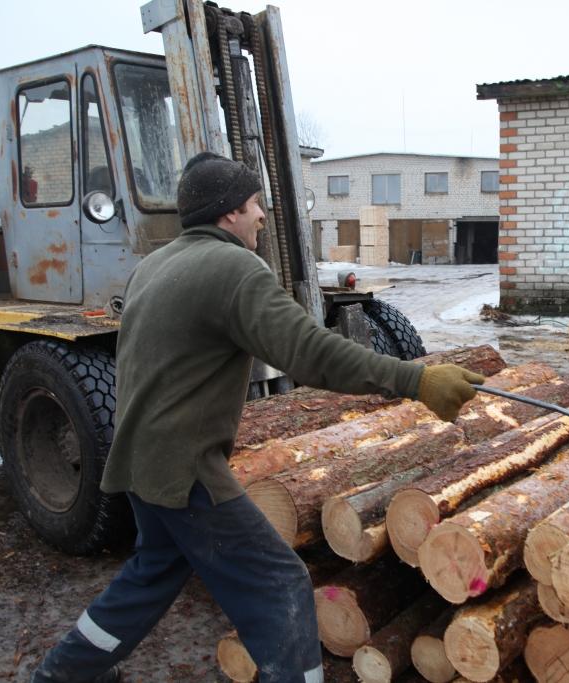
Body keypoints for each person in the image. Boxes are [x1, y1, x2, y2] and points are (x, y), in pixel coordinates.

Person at [32, 152, 485, 683]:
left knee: (152, 572)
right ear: (228, 213)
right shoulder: (232, 268)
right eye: (254, 205)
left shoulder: (153, 266)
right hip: (184, 469)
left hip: (137, 460)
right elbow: (311, 353)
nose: (263, 216)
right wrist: (416, 379)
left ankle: (63, 672)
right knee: (281, 584)